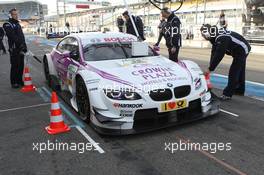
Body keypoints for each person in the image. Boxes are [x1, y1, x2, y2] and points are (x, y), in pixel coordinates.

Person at [201, 24, 251, 100]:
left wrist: (210, 68)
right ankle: (240, 90)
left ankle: (227, 94)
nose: (203, 37)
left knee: (234, 71)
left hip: (242, 49)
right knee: (240, 70)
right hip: (238, 49)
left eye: (203, 34)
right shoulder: (215, 37)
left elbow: (219, 54)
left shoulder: (221, 38)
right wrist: (210, 67)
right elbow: (214, 52)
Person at [3, 8, 27, 89]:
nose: (16, 16)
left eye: (17, 14)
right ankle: (14, 82)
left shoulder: (17, 24)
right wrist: (20, 44)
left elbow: (21, 36)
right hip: (14, 49)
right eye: (14, 14)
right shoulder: (7, 24)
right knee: (15, 65)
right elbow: (12, 36)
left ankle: (19, 80)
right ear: (10, 15)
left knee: (21, 65)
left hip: (20, 48)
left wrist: (24, 46)